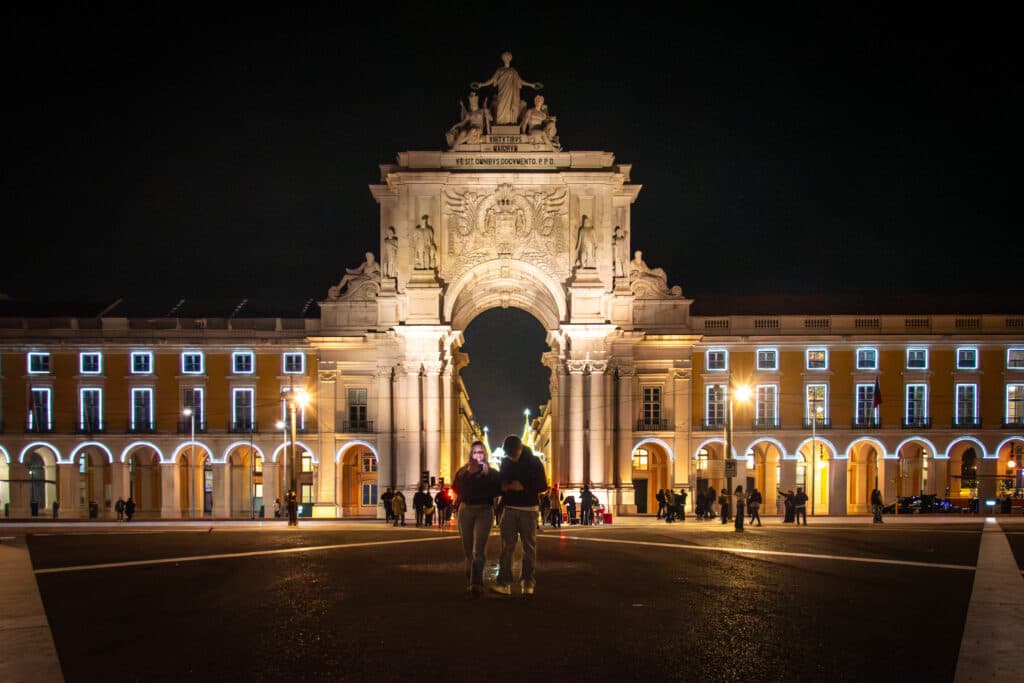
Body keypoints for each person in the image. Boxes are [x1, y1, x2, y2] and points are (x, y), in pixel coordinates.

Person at [493, 434, 548, 596]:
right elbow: (501, 482)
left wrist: (523, 486)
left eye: (513, 454)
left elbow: (543, 485)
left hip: (529, 509)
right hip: (509, 508)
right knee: (506, 547)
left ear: (520, 448)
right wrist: (505, 486)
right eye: (509, 455)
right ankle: (504, 583)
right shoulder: (506, 462)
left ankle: (527, 582)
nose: (511, 458)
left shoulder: (534, 462)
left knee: (529, 547)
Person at [453, 440, 501, 595]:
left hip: (484, 511)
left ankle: (476, 583)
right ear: (470, 454)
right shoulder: (463, 471)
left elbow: (497, 490)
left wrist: (487, 477)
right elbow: (457, 488)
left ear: (485, 454)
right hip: (466, 510)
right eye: (475, 452)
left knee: (478, 549)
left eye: (481, 452)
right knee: (468, 549)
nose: (478, 455)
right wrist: (469, 473)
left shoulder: (492, 472)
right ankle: (471, 571)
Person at [471, 51, 543, 125]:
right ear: (503, 59)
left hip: (511, 93)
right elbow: (492, 79)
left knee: (511, 107)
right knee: (500, 106)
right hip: (502, 91)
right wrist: (482, 84)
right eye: (505, 57)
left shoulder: (513, 71)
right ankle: (500, 123)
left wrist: (531, 85)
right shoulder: (500, 70)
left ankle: (511, 123)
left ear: (510, 59)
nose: (507, 59)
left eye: (508, 57)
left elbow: (520, 80)